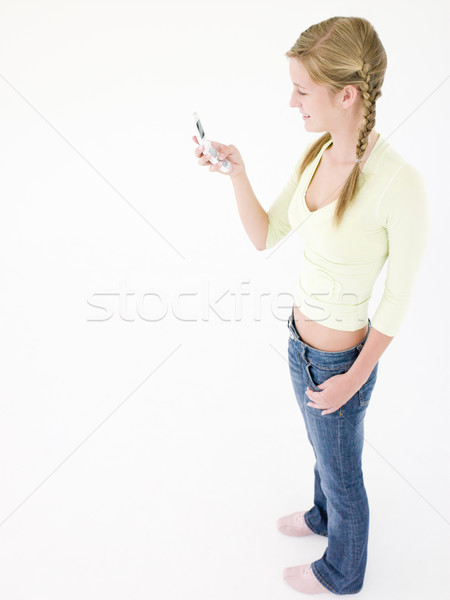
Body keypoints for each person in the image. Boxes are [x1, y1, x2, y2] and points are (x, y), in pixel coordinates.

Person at [192, 16, 430, 596]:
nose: (291, 102)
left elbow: (398, 300)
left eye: (302, 90)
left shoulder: (400, 184)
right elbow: (265, 234)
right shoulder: (316, 154)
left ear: (346, 95)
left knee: (344, 475)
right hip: (300, 346)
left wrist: (355, 377)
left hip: (341, 364)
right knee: (322, 451)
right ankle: (322, 519)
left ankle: (343, 572)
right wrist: (237, 173)